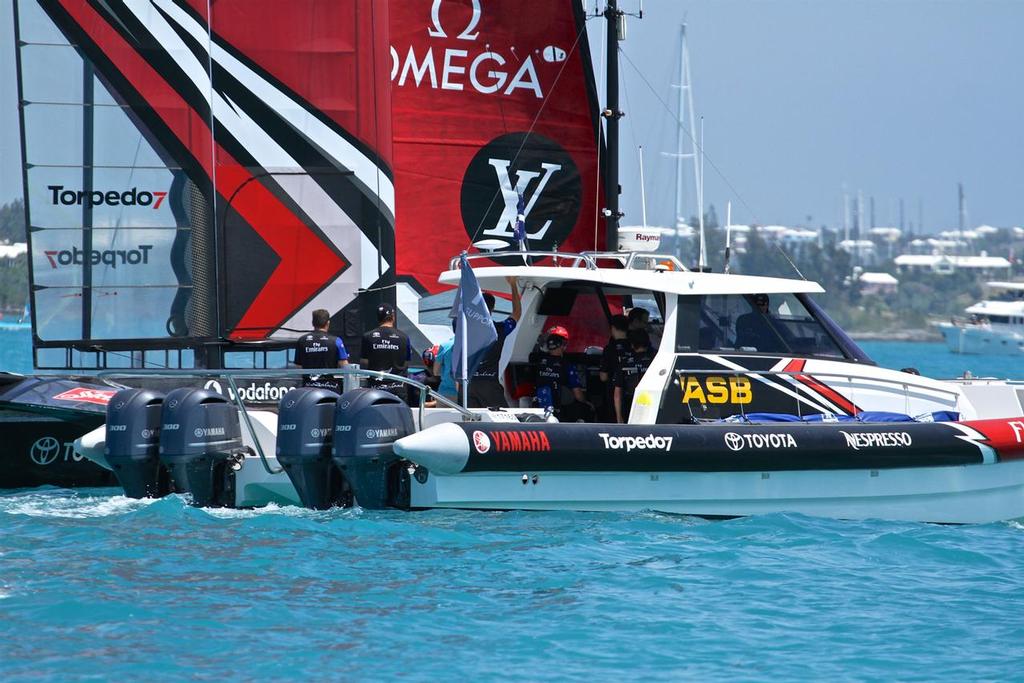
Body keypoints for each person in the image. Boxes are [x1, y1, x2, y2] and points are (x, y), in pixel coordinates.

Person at [467, 277, 522, 407]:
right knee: (503, 422)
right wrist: (513, 285)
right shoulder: (499, 330)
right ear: (493, 308)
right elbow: (517, 314)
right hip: (489, 385)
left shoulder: (466, 330)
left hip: (469, 385)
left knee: (472, 421)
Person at [534, 326, 591, 421]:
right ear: (562, 346)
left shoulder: (538, 363)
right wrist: (586, 402)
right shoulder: (567, 366)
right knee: (586, 408)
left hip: (539, 408)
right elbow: (578, 395)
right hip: (560, 411)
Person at [360, 303, 412, 401]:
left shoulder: (367, 336)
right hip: (398, 387)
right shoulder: (404, 337)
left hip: (375, 388)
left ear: (378, 318)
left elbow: (364, 362)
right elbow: (406, 361)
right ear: (393, 317)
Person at [294, 308, 348, 393]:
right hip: (331, 388)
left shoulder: (302, 340)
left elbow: (298, 367)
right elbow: (345, 366)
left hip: (308, 388)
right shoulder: (336, 341)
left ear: (313, 323)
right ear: (328, 323)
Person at [613, 329, 654, 423]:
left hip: (630, 403)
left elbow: (617, 393)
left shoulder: (625, 362)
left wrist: (619, 417)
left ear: (631, 344)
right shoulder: (656, 360)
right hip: (653, 402)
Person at [598, 314, 631, 421]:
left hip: (613, 390)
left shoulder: (609, 349)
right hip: (632, 389)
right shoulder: (634, 345)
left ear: (612, 328)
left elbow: (603, 377)